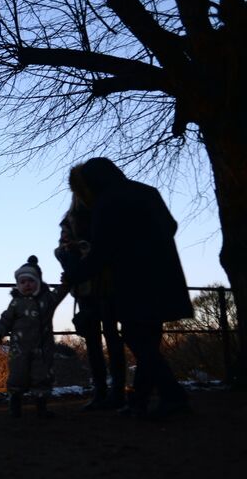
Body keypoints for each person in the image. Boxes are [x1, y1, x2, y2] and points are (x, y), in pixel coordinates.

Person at [63, 157, 194, 419]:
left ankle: (173, 395)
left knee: (136, 338)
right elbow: (171, 226)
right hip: (164, 275)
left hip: (134, 280)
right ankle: (140, 401)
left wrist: (75, 273)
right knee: (149, 340)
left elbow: (101, 250)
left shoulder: (105, 202)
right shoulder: (147, 192)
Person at [55, 189, 126, 410]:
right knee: (101, 338)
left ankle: (112, 391)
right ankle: (105, 390)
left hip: (99, 284)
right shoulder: (77, 218)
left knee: (106, 338)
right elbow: (62, 249)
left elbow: (63, 249)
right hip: (93, 284)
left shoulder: (78, 218)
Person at [0, 255, 68, 418]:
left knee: (42, 377)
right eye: (22, 282)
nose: (26, 285)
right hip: (19, 349)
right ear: (18, 285)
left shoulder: (47, 300)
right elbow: (5, 320)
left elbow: (60, 292)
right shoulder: (16, 303)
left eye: (30, 281)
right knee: (17, 376)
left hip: (42, 349)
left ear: (38, 282)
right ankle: (15, 405)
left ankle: (41, 407)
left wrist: (67, 280)